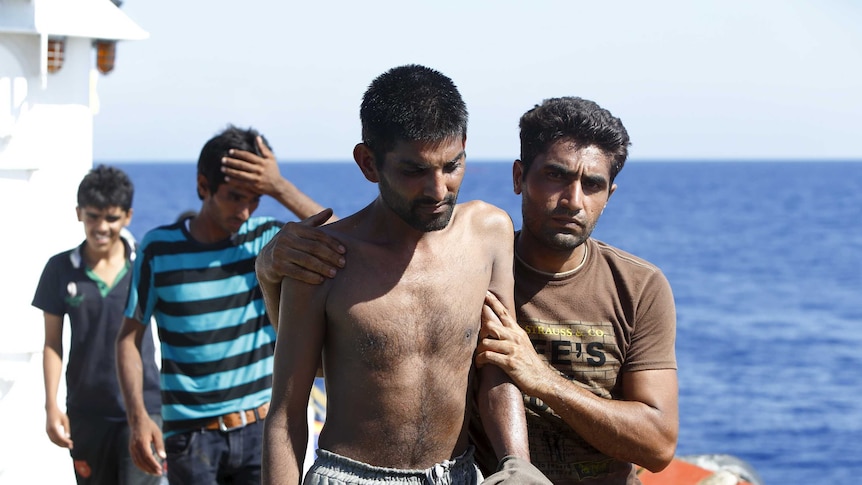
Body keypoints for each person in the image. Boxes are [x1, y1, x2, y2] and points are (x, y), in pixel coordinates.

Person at [257, 96, 679, 484]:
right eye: (555, 177)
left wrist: (539, 382)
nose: (573, 200)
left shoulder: (637, 286)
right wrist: (270, 264)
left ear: (610, 194)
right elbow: (371, 295)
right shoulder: (472, 253)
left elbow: (659, 445)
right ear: (518, 177)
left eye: (593, 185)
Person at [260, 64, 532, 485]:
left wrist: (518, 463)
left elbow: (499, 367)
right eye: (415, 171)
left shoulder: (489, 235)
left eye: (451, 166)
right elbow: (286, 416)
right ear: (368, 163)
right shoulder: (324, 259)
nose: (438, 190)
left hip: (459, 474)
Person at [115, 125, 327, 484]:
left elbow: (346, 239)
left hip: (261, 428)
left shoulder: (265, 239)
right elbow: (128, 340)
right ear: (203, 186)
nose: (245, 211)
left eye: (255, 199)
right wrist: (139, 417)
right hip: (190, 438)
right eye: (234, 197)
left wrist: (279, 186)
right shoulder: (158, 249)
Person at [32, 165, 162, 485]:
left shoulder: (146, 267)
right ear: (79, 213)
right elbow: (52, 343)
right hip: (86, 413)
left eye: (112, 218)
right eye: (92, 216)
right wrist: (51, 405)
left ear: (128, 216)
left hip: (144, 410)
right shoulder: (59, 268)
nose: (101, 227)